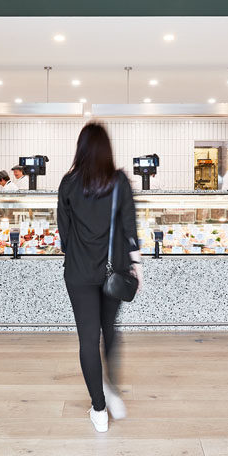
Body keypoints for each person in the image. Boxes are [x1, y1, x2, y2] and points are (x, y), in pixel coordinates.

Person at [57, 122, 143, 433]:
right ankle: (112, 390)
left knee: (87, 340)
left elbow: (64, 235)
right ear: (107, 149)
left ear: (80, 149)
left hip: (78, 272)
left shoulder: (68, 183)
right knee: (111, 332)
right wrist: (137, 265)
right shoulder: (120, 181)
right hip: (114, 270)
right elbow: (130, 226)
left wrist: (80, 250)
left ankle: (98, 408)